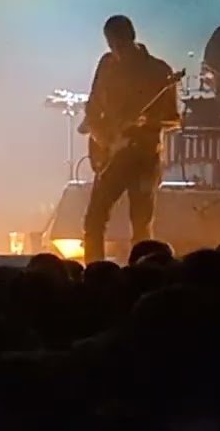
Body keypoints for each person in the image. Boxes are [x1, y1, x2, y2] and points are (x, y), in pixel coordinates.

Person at [80, 16, 180, 264]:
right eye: (112, 46)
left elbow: (173, 119)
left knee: (141, 224)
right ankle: (93, 272)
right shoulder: (107, 64)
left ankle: (143, 274)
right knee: (93, 219)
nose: (117, 52)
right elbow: (93, 106)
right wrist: (102, 138)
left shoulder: (158, 71)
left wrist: (149, 123)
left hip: (144, 156)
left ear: (132, 39)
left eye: (120, 46)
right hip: (110, 155)